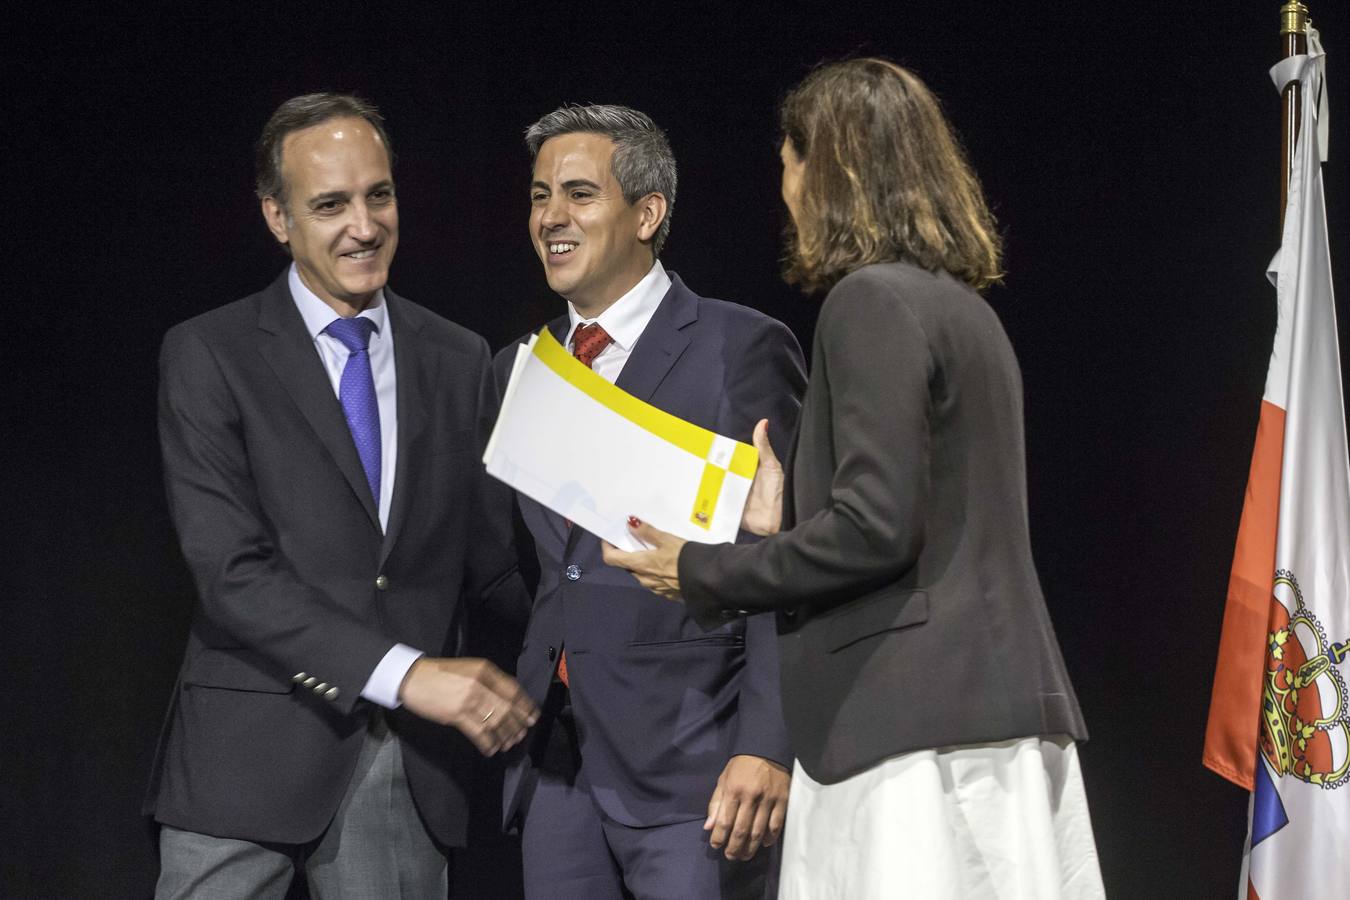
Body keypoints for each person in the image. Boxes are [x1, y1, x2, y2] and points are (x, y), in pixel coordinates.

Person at [604, 59, 1105, 898]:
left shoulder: (867, 302)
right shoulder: (962, 309)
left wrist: (700, 569)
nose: (786, 188)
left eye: (790, 163)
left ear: (827, 171)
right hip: (991, 723)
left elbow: (876, 527)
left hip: (909, 738)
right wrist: (790, 513)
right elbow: (932, 510)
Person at [144, 92, 538, 899]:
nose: (364, 225)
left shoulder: (460, 359)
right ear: (277, 218)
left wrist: (641, 608)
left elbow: (494, 566)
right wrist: (408, 673)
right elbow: (231, 574)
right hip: (242, 753)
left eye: (379, 195)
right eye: (330, 205)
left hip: (405, 769)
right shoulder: (208, 354)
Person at [496, 104, 807, 899]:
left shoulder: (738, 348)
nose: (551, 219)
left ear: (648, 212)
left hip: (696, 765)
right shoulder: (518, 370)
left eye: (578, 194)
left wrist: (767, 743)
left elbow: (789, 557)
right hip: (557, 768)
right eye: (539, 197)